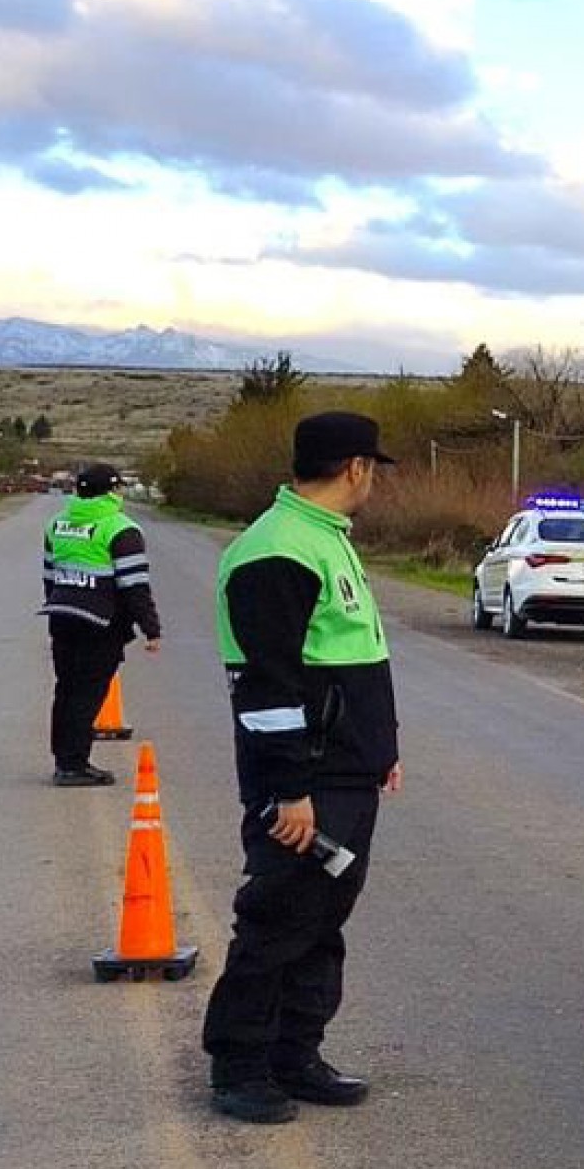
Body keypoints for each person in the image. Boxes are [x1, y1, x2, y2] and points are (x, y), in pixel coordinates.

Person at [200, 412, 403, 1125]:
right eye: (371, 468)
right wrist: (289, 790)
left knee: (321, 921)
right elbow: (268, 686)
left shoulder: (322, 541)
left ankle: (296, 1054)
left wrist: (381, 753)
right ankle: (240, 1066)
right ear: (355, 468)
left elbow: (348, 662)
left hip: (342, 775)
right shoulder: (278, 551)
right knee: (277, 920)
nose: (371, 479)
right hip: (303, 784)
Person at [38, 463, 161, 785]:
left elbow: (49, 577)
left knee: (66, 689)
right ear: (112, 491)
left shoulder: (57, 524)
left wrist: (56, 607)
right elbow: (134, 585)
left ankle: (64, 759)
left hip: (62, 616)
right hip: (101, 623)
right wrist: (151, 628)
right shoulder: (121, 529)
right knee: (87, 694)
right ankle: (74, 765)